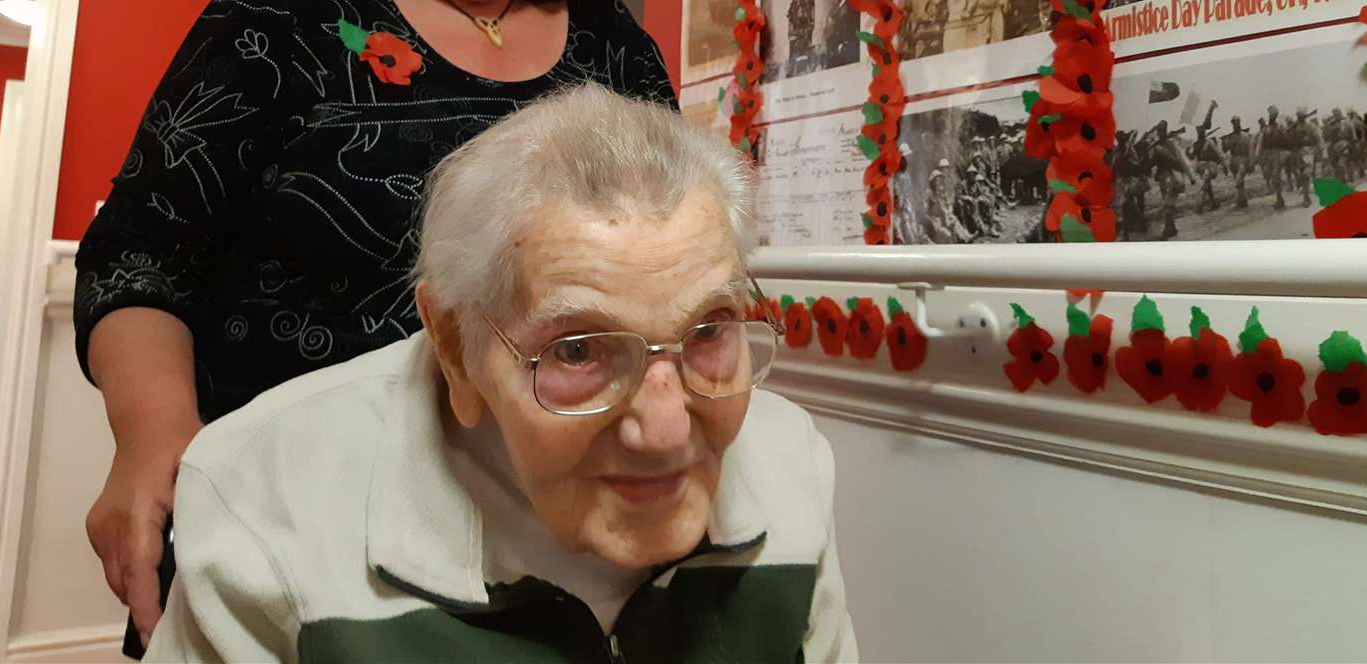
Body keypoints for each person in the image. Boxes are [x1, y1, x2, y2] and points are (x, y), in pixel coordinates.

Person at [74, 0, 676, 651]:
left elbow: (667, 281)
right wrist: (154, 438)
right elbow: (138, 257)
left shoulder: (615, 46)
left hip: (551, 548)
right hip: (292, 525)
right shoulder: (283, 12)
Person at [143, 85, 856, 662]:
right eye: (578, 350)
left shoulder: (791, 465)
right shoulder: (264, 501)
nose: (667, 432)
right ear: (455, 346)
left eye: (708, 331)